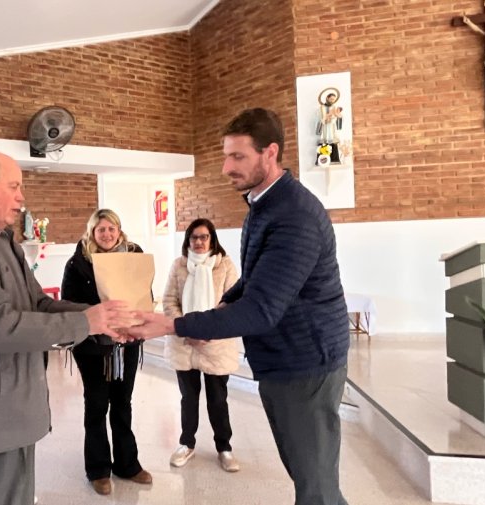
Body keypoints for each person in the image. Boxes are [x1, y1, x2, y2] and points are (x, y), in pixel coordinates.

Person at [127, 108, 350, 505]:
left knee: (316, 488)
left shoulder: (293, 215)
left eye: (238, 157)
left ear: (271, 153)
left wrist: (173, 325)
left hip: (305, 363)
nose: (227, 167)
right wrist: (219, 310)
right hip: (286, 360)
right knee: (307, 477)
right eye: (225, 156)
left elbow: (263, 309)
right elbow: (256, 279)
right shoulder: (263, 203)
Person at [0, 151, 129, 505]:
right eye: (14, 186)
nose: (21, 197)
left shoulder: (3, 241)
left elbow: (38, 305)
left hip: (14, 409)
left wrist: (100, 317)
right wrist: (84, 322)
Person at [60, 209, 152, 496]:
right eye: (101, 230)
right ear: (92, 233)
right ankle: (98, 468)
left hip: (127, 345)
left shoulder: (134, 255)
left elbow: (144, 293)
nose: (107, 234)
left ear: (119, 230)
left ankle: (128, 464)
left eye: (111, 229)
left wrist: (135, 324)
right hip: (93, 347)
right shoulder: (77, 263)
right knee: (97, 405)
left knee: (123, 403)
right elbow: (68, 304)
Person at [162, 218, 241, 473]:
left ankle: (224, 448)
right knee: (188, 398)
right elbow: (169, 301)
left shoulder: (225, 265)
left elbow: (232, 302)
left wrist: (208, 331)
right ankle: (187, 443)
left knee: (218, 399)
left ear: (212, 239)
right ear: (188, 240)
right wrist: (186, 329)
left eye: (203, 237)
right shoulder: (179, 265)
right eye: (194, 237)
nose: (198, 242)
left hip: (216, 343)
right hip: (184, 342)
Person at [315, 92, 342, 163]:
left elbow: (338, 118)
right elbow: (318, 119)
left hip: (332, 128)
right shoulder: (321, 108)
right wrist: (326, 117)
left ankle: (334, 160)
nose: (332, 101)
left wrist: (338, 116)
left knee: (332, 140)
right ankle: (323, 160)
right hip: (324, 128)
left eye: (334, 99)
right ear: (327, 98)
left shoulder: (334, 107)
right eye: (331, 99)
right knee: (324, 141)